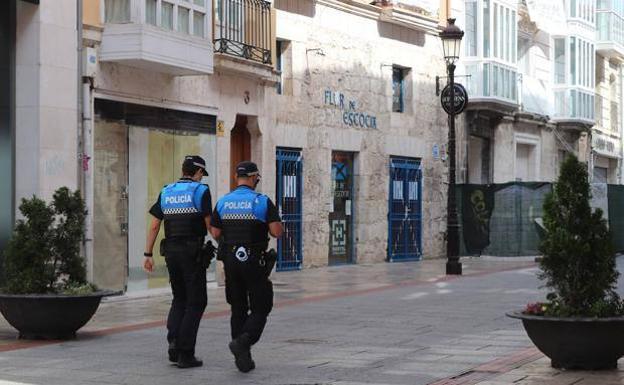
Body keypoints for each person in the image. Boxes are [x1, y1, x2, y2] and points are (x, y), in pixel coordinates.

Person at [210, 161, 283, 373]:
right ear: (254, 178)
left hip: (231, 260)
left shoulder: (224, 202)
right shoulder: (261, 201)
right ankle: (244, 342)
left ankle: (242, 356)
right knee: (262, 306)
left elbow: (215, 233)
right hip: (254, 260)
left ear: (236, 178)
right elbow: (276, 232)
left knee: (238, 307)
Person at [143, 155, 212, 369]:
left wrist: (147, 254)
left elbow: (154, 225)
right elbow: (210, 226)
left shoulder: (167, 191)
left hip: (171, 251)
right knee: (196, 301)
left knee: (179, 298)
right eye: (202, 174)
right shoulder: (201, 191)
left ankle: (173, 341)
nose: (202, 179)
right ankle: (185, 352)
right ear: (198, 172)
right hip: (192, 251)